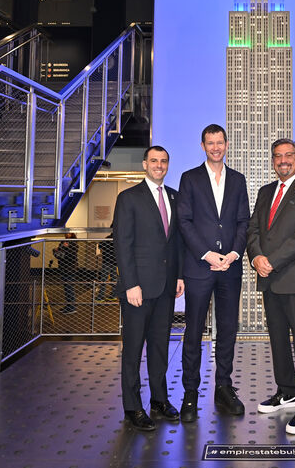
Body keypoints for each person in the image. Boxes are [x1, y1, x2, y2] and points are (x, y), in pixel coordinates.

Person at [247, 138, 295, 435]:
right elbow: (253, 229)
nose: (283, 161)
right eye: (278, 156)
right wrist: (256, 258)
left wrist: (272, 260)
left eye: (288, 155)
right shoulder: (266, 191)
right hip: (269, 279)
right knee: (277, 339)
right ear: (272, 160)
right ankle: (287, 391)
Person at [177, 124, 250, 422]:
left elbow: (244, 221)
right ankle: (190, 393)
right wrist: (207, 254)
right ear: (203, 145)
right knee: (193, 332)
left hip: (229, 268)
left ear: (227, 144)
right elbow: (184, 221)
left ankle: (224, 387)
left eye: (220, 142)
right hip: (199, 267)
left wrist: (232, 254)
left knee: (228, 329)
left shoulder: (238, 179)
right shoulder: (190, 179)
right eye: (210, 143)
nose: (216, 147)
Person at [114, 145, 184, 431]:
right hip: (138, 289)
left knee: (159, 348)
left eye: (164, 161)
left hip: (166, 287)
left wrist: (179, 276)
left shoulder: (174, 197)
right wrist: (131, 283)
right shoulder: (128, 198)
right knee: (133, 351)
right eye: (154, 160)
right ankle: (132, 406)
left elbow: (176, 242)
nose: (159, 165)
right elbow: (122, 244)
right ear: (145, 164)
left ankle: (159, 400)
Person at [53, 232, 78, 313]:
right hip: (64, 268)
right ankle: (69, 305)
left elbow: (70, 255)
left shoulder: (73, 243)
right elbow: (60, 255)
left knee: (69, 288)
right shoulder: (63, 242)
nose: (67, 234)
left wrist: (64, 248)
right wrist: (55, 250)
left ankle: (72, 307)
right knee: (67, 288)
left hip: (70, 268)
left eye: (69, 233)